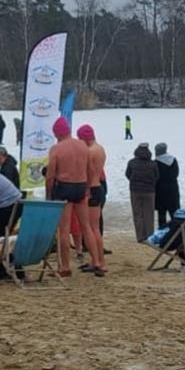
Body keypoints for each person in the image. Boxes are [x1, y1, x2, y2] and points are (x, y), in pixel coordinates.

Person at [43, 118, 101, 277]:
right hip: (81, 186)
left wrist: (48, 194)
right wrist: (88, 187)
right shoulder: (82, 146)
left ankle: (65, 267)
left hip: (64, 187)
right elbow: (90, 169)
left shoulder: (56, 148)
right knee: (86, 226)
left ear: (57, 133)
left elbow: (50, 175)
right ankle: (96, 261)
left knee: (64, 229)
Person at [78, 125, 110, 269]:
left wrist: (85, 188)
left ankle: (97, 261)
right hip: (99, 187)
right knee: (95, 228)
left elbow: (88, 171)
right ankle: (99, 260)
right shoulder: (100, 149)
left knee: (90, 228)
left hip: (92, 189)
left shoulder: (89, 152)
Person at [125, 143, 159, 242]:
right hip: (149, 191)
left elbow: (128, 174)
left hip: (135, 191)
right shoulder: (153, 164)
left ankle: (140, 237)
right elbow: (157, 176)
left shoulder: (131, 162)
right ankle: (150, 236)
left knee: (137, 214)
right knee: (149, 214)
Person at [154, 142, 180, 228]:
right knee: (175, 214)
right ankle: (177, 232)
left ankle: (162, 234)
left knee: (161, 215)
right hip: (173, 190)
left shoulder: (155, 162)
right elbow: (176, 174)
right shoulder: (173, 160)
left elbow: (155, 177)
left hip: (160, 191)